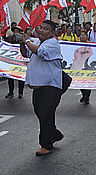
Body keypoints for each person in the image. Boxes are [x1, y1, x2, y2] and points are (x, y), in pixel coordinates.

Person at [17, 20, 65, 157]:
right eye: (40, 28)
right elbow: (26, 54)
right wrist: (22, 43)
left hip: (49, 87)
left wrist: (27, 42)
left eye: (45, 29)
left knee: (45, 115)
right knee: (42, 114)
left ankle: (46, 145)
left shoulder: (53, 43)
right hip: (39, 88)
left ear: (52, 32)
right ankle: (54, 134)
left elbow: (40, 53)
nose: (41, 30)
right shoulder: (37, 42)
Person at [5, 27, 26, 99]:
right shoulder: (10, 39)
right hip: (12, 61)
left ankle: (20, 93)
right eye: (15, 31)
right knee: (10, 77)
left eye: (17, 31)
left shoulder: (23, 39)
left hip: (20, 61)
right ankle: (11, 92)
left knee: (20, 78)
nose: (16, 32)